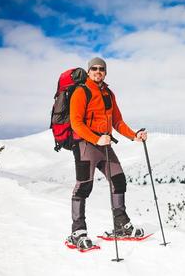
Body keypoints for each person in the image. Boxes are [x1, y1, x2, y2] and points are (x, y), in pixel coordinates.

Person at [66, 57, 147, 250]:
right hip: (85, 146)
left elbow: (117, 121)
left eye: (101, 69)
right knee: (84, 187)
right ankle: (78, 232)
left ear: (105, 72)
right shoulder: (80, 91)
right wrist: (96, 139)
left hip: (105, 146)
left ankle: (121, 225)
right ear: (88, 71)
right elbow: (76, 123)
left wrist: (134, 135)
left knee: (119, 180)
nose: (97, 71)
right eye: (94, 68)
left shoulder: (108, 93)